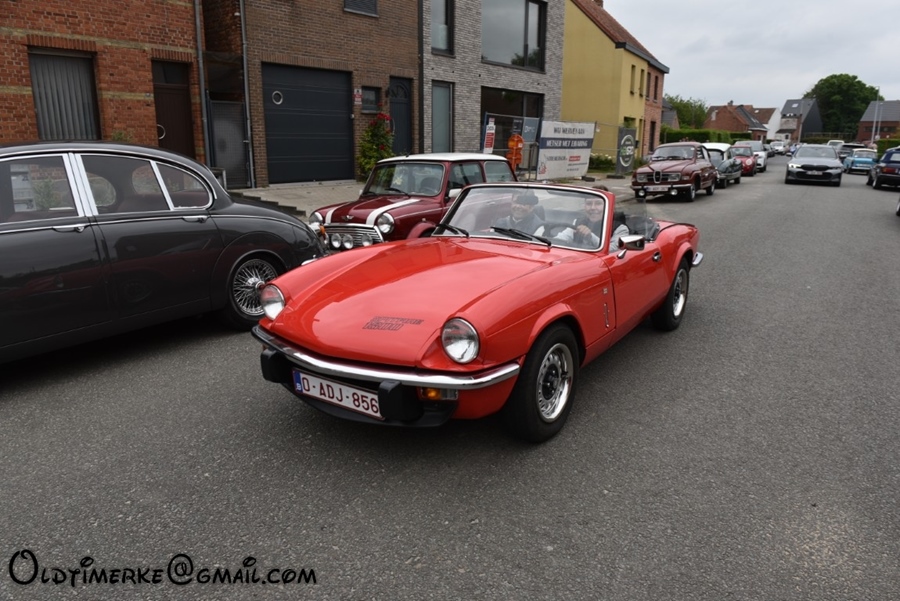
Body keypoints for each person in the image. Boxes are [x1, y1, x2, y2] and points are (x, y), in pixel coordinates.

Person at [553, 195, 630, 252]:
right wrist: (549, 241)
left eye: (598, 203)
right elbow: (562, 238)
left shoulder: (620, 228)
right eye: (589, 203)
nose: (592, 208)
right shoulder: (578, 222)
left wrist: (590, 236)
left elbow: (612, 251)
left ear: (608, 207)